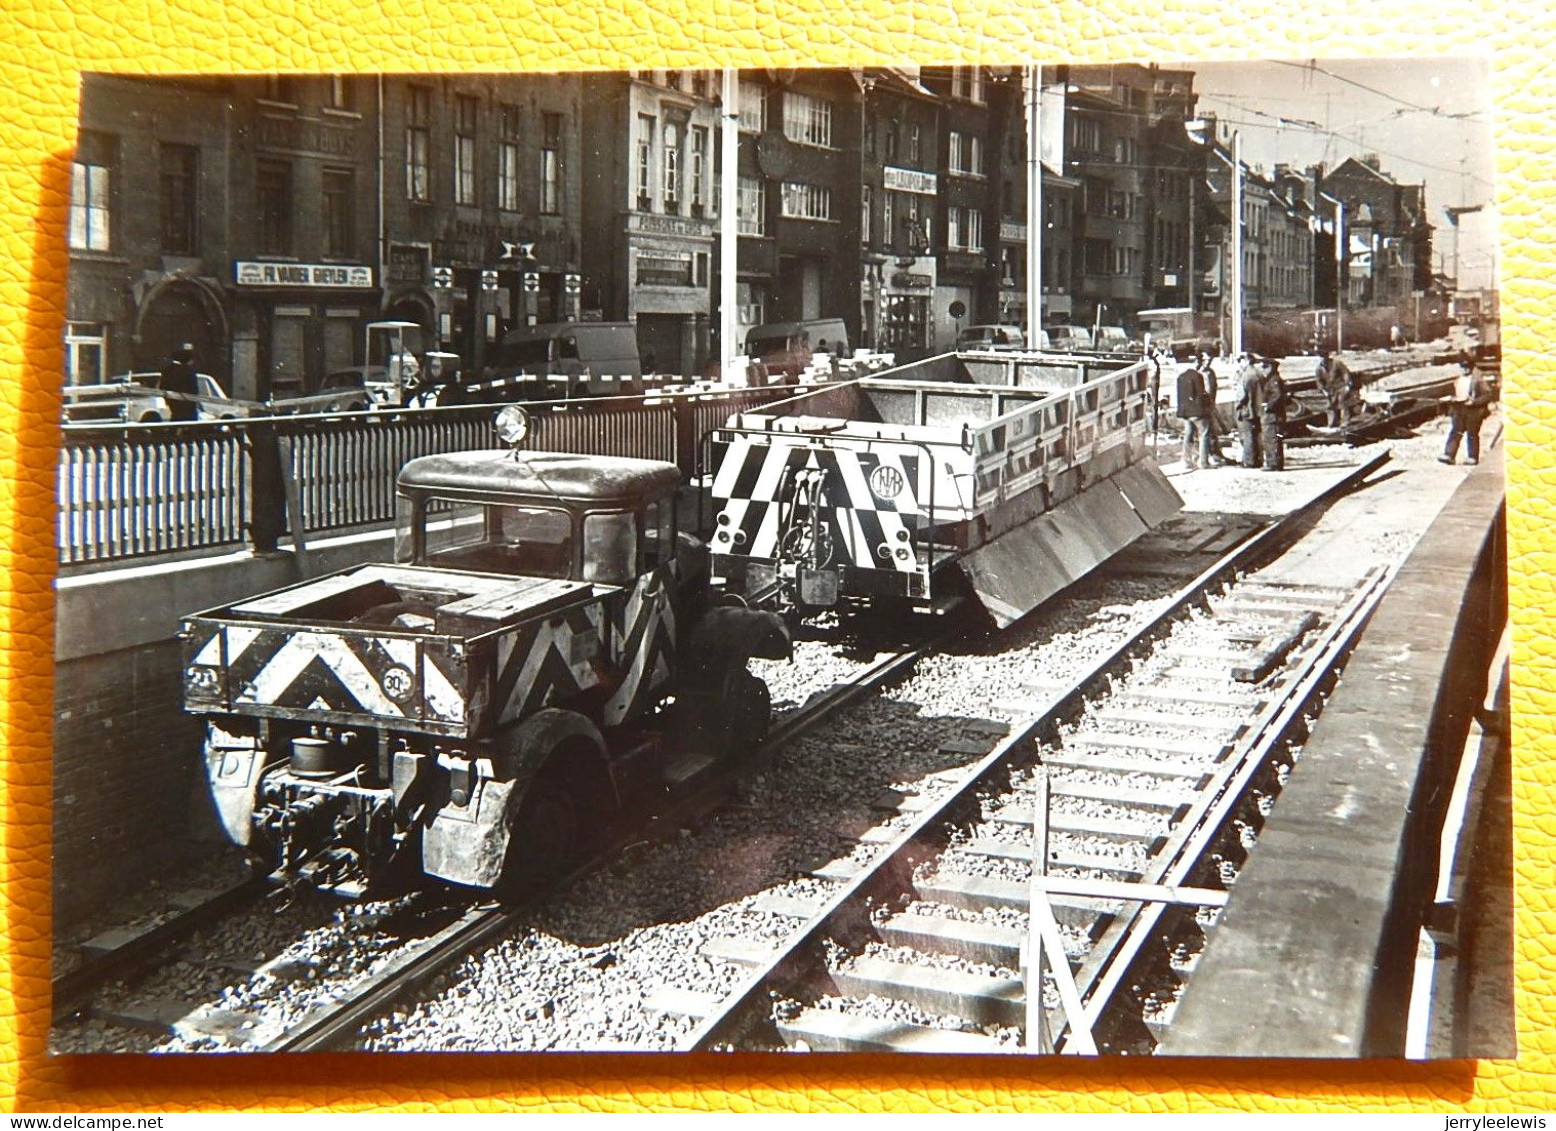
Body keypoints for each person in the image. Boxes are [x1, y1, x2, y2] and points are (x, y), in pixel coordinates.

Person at [1440, 358, 1494, 466]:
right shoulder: (1459, 379)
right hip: (1460, 407)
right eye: (1462, 367)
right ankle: (1449, 455)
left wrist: (1474, 402)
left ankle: (1472, 457)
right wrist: (1451, 399)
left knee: (1472, 433)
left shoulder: (1478, 378)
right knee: (1456, 431)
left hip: (1474, 410)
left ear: (1471, 367)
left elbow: (1488, 395)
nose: (1464, 370)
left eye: (1466, 368)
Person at [1175, 357, 1214, 470]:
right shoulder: (1197, 376)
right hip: (1197, 412)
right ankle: (1203, 462)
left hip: (1185, 413)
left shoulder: (1180, 377)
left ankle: (1186, 460)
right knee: (1204, 434)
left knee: (1188, 435)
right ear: (1196, 363)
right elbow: (1200, 395)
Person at [1256, 358, 1287, 471]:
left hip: (1272, 416)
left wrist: (1268, 406)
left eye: (1265, 367)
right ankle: (1274, 462)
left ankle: (1273, 463)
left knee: (1271, 439)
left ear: (1271, 368)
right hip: (1271, 416)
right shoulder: (1271, 379)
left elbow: (1277, 395)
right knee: (1271, 439)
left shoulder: (1274, 380)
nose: (1263, 370)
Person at [1234, 354, 1264, 468]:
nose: (1240, 364)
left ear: (1246, 361)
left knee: (1248, 436)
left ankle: (1249, 461)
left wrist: (1237, 408)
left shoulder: (1245, 376)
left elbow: (1241, 396)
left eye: (1240, 361)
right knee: (1256, 435)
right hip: (1258, 410)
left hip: (1247, 410)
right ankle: (1258, 460)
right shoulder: (1260, 374)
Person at [158, 342, 200, 422]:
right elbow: (194, 389)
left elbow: (162, 387)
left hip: (174, 406)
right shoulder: (188, 371)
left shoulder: (167, 370)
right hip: (188, 406)